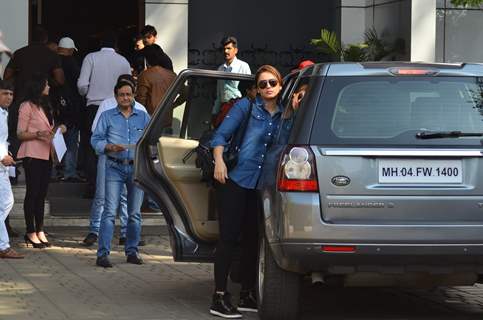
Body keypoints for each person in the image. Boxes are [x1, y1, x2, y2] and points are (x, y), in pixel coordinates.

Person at [209, 65, 283, 318]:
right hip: (235, 181)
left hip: (261, 186)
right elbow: (219, 137)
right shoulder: (245, 107)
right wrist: (219, 161)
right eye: (262, 84)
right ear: (257, 88)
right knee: (228, 239)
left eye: (272, 82)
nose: (268, 88)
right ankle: (219, 296)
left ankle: (247, 293)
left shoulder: (286, 115)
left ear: (281, 85)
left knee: (253, 241)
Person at [82, 75, 147, 247]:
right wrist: (109, 146)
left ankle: (128, 238)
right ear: (116, 94)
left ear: (133, 93)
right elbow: (95, 134)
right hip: (110, 161)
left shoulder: (142, 113)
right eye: (122, 94)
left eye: (129, 93)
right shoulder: (107, 108)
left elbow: (149, 140)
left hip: (134, 166)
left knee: (132, 208)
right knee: (104, 199)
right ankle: (95, 233)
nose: (125, 97)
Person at [4, 26, 65, 182]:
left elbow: (7, 75)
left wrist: (19, 80)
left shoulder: (19, 53)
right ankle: (48, 172)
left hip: (19, 100)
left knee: (14, 136)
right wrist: (47, 81)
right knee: (47, 134)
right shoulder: (51, 55)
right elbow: (60, 80)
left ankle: (13, 173)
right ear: (45, 40)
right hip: (43, 104)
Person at [77, 31, 131, 198]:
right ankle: (115, 188)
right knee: (117, 147)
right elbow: (129, 86)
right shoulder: (123, 61)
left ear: (100, 43)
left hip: (94, 107)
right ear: (115, 45)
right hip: (118, 108)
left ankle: (93, 186)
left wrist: (88, 93)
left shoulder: (91, 58)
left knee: (92, 146)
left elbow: (82, 85)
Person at [17, 73, 67, 248]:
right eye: (46, 84)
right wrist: (37, 134)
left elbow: (51, 127)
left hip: (47, 154)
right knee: (32, 193)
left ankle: (40, 229)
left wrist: (60, 128)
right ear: (38, 86)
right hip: (32, 154)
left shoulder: (46, 105)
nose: (49, 87)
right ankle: (30, 231)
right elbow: (20, 133)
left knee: (41, 194)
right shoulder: (26, 106)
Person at [54, 37, 84, 182]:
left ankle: (54, 171)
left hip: (53, 104)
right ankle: (69, 170)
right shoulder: (72, 63)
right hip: (72, 104)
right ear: (71, 50)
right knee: (71, 138)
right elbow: (80, 84)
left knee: (53, 136)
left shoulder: (52, 60)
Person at [0, 79, 24, 259]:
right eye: (4, 93)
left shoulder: (4, 113)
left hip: (3, 165)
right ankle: (3, 246)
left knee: (6, 203)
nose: (8, 97)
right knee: (4, 203)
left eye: (11, 94)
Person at [212, 36, 251, 124]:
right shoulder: (220, 69)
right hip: (223, 109)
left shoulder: (243, 66)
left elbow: (249, 92)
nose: (226, 51)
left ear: (235, 50)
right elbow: (219, 94)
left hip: (239, 108)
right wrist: (214, 113)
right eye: (224, 49)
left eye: (229, 48)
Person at [136, 45, 176, 116]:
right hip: (167, 119)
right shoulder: (172, 75)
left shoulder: (145, 75)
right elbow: (185, 93)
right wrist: (172, 105)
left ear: (147, 60)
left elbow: (140, 101)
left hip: (150, 121)